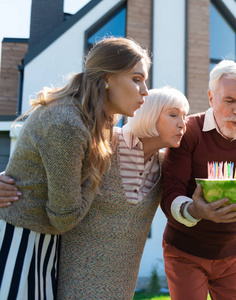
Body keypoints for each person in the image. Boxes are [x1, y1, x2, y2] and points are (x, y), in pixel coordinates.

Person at [0, 86, 189, 299]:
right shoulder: (104, 143)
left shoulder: (166, 165)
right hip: (70, 275)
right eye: (173, 115)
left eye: (185, 116)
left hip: (121, 283)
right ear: (149, 113)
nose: (183, 123)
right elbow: (48, 169)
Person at [0, 37, 150, 299]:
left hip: (42, 244)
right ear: (107, 78)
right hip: (19, 244)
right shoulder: (67, 123)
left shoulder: (92, 120)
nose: (145, 91)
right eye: (137, 79)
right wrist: (100, 168)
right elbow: (64, 216)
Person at [161, 46, 236, 300]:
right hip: (184, 251)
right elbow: (169, 193)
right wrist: (195, 210)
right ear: (211, 98)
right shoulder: (190, 132)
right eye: (229, 101)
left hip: (233, 253)